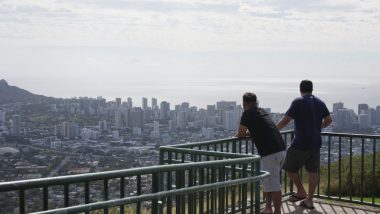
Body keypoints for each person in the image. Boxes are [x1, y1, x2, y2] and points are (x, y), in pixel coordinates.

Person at [277, 80, 332, 210]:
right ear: (312, 89)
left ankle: (301, 191)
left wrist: (274, 130)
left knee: (288, 167)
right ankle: (309, 200)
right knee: (313, 171)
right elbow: (329, 120)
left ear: (300, 89)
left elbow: (286, 120)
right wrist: (318, 127)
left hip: (301, 142)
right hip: (316, 142)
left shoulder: (298, 101)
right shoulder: (320, 102)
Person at [235, 92, 286, 214]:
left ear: (244, 104)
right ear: (256, 102)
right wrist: (251, 133)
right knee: (268, 181)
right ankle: (268, 208)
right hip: (281, 149)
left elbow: (241, 133)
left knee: (274, 184)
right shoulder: (262, 111)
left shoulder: (247, 113)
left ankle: (277, 211)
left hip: (271, 152)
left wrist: (242, 134)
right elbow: (263, 128)